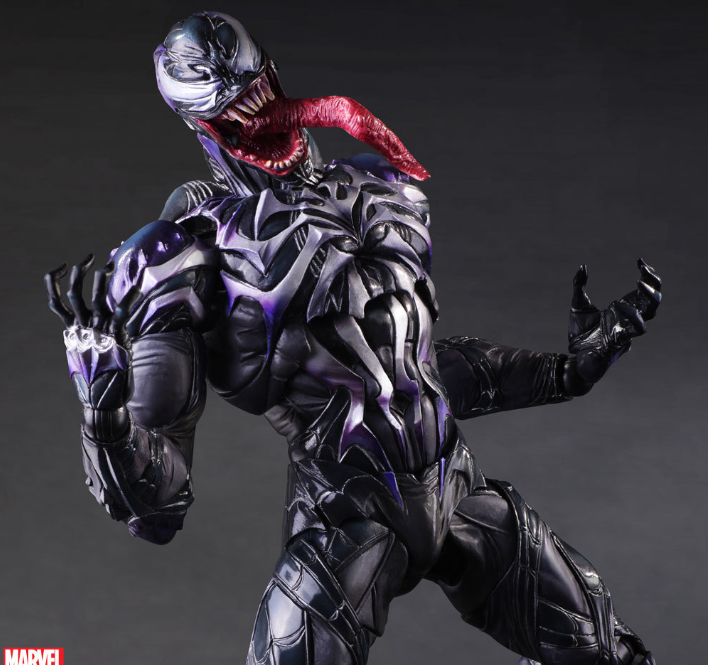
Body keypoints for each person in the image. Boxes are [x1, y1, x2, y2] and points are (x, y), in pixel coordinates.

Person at [46, 12, 660, 665]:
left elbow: (415, 366)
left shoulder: (381, 190)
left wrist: (566, 372)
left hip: (456, 490)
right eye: (235, 109)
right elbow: (159, 506)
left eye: (261, 91)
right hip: (343, 522)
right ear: (204, 125)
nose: (263, 116)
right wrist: (104, 418)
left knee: (613, 656)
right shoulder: (188, 255)